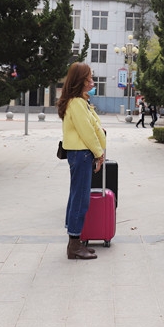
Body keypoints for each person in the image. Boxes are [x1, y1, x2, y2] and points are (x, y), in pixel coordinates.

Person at [57, 62, 106, 260]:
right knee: (80, 199)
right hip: (81, 153)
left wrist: (88, 102)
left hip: (81, 154)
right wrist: (99, 153)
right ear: (81, 80)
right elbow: (87, 131)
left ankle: (74, 241)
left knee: (77, 196)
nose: (92, 81)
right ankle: (74, 245)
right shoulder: (76, 103)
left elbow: (95, 124)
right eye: (89, 78)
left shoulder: (80, 101)